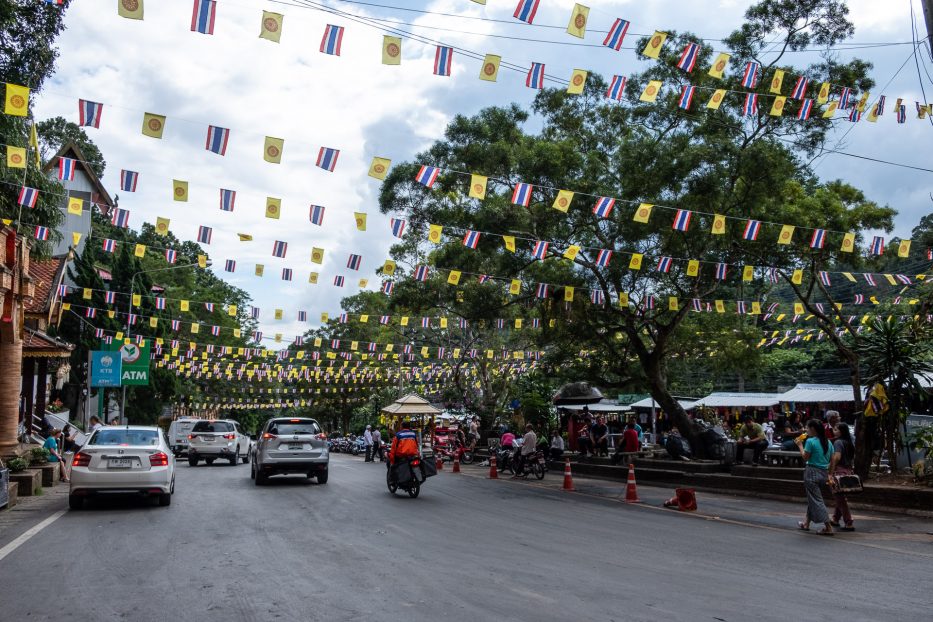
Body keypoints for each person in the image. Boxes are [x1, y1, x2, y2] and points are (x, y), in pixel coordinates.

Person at [795, 419, 835, 536]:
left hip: (811, 472)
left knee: (816, 500)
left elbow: (805, 457)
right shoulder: (828, 442)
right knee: (813, 498)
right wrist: (830, 474)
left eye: (807, 428)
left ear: (813, 429)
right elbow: (832, 460)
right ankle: (806, 523)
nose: (806, 430)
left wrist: (800, 445)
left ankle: (828, 526)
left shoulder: (810, 441)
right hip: (824, 473)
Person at [829, 422, 856, 532]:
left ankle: (848, 521)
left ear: (841, 431)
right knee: (840, 496)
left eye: (836, 429)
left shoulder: (838, 442)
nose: (833, 431)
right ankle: (835, 518)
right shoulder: (849, 443)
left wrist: (831, 471)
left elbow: (836, 457)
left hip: (839, 472)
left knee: (839, 498)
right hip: (848, 471)